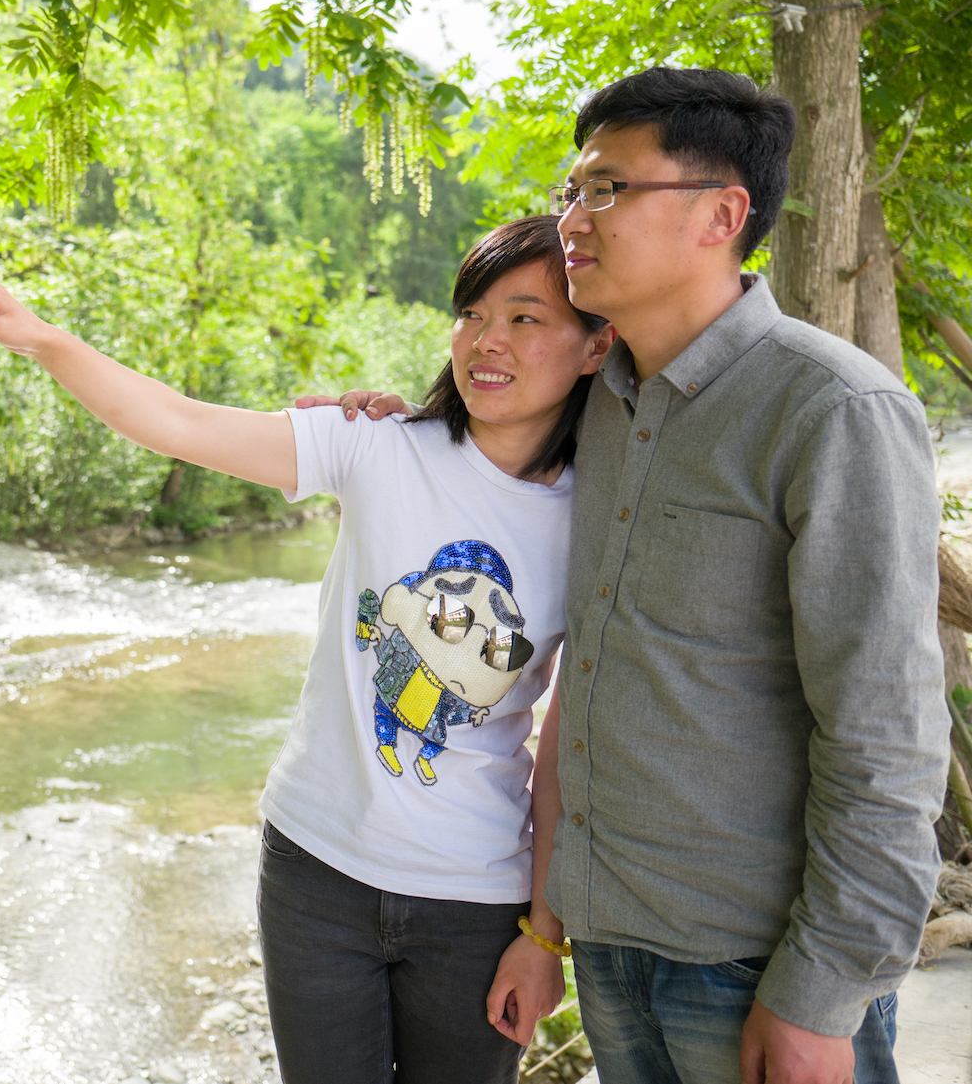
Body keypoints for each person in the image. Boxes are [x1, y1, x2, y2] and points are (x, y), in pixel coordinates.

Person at [328, 67, 949, 1084]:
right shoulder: (608, 398)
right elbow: (583, 651)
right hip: (612, 948)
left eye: (606, 189)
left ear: (720, 213)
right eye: (570, 189)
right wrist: (377, 424)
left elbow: (884, 734)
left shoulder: (832, 410)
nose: (571, 216)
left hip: (751, 966)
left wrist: (822, 991)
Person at [0, 213, 615, 1083]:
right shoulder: (376, 446)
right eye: (471, 313)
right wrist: (45, 339)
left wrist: (541, 933)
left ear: (595, 347)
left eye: (525, 318)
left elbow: (567, 739)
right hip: (314, 873)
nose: (486, 341)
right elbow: (176, 422)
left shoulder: (598, 520)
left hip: (477, 900)